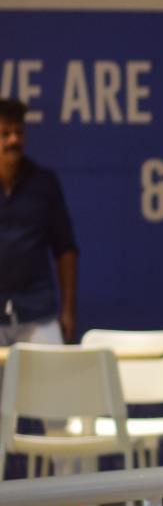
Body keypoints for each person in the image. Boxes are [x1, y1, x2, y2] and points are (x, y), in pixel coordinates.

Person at [0, 99, 78, 346]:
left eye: (18, 133)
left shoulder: (44, 183)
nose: (13, 140)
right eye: (4, 134)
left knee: (52, 371)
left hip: (37, 311)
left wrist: (68, 310)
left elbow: (65, 250)